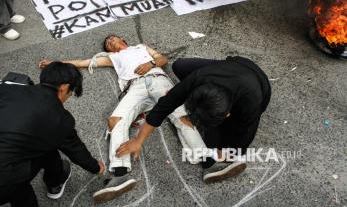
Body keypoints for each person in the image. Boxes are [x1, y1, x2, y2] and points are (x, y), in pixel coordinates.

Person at [39, 35, 208, 204]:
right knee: (115, 121)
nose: (111, 42)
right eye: (108, 43)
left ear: (123, 40)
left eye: (113, 38)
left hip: (157, 79)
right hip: (135, 87)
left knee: (181, 117)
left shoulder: (141, 47)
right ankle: (120, 173)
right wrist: (56, 64)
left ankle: (208, 161)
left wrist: (150, 63)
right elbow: (84, 62)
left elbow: (162, 58)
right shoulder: (114, 57)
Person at [116, 56, 272, 183]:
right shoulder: (197, 79)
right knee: (180, 65)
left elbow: (244, 136)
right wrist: (138, 140)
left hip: (257, 83)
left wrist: (225, 152)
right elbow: (163, 107)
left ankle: (220, 138)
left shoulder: (250, 103)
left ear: (227, 115)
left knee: (214, 143)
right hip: (231, 66)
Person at [0, 62, 105, 207]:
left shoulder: (7, 89)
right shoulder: (60, 118)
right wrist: (96, 167)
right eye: (71, 92)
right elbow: (75, 150)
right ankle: (55, 182)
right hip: (4, 181)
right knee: (22, 193)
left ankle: (55, 180)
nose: (68, 96)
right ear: (64, 87)